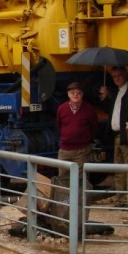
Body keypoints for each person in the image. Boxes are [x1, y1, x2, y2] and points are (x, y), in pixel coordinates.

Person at [52, 81, 99, 236]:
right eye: (73, 93)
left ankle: (78, 214)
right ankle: (62, 213)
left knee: (79, 181)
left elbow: (94, 127)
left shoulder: (89, 110)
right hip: (65, 150)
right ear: (68, 94)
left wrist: (85, 141)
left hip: (82, 150)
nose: (75, 95)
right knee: (63, 181)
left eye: (78, 92)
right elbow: (59, 125)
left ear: (82, 95)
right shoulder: (62, 109)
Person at [99, 67, 128, 207]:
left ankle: (125, 198)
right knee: (118, 168)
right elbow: (112, 112)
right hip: (116, 135)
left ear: (125, 76)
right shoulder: (117, 93)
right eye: (114, 76)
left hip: (126, 136)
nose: (117, 79)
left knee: (126, 168)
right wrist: (105, 98)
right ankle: (119, 196)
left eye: (119, 76)